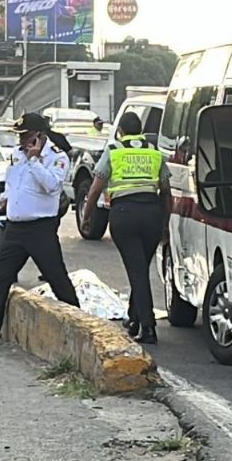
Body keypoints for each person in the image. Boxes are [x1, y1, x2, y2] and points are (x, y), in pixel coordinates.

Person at [0, 113, 80, 345]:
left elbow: (52, 186)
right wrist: (5, 197)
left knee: (57, 278)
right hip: (15, 227)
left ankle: (78, 324)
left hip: (40, 228)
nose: (22, 140)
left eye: (26, 136)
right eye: (20, 136)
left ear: (40, 136)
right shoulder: (17, 154)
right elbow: (14, 180)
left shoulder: (57, 156)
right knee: (1, 276)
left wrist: (35, 161)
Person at [81, 112, 170, 344]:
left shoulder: (114, 151)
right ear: (140, 130)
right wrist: (165, 223)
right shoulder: (154, 152)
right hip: (152, 214)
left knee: (137, 272)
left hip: (124, 215)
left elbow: (95, 188)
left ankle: (148, 327)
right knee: (139, 269)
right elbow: (166, 190)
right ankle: (134, 319)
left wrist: (87, 217)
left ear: (120, 131)